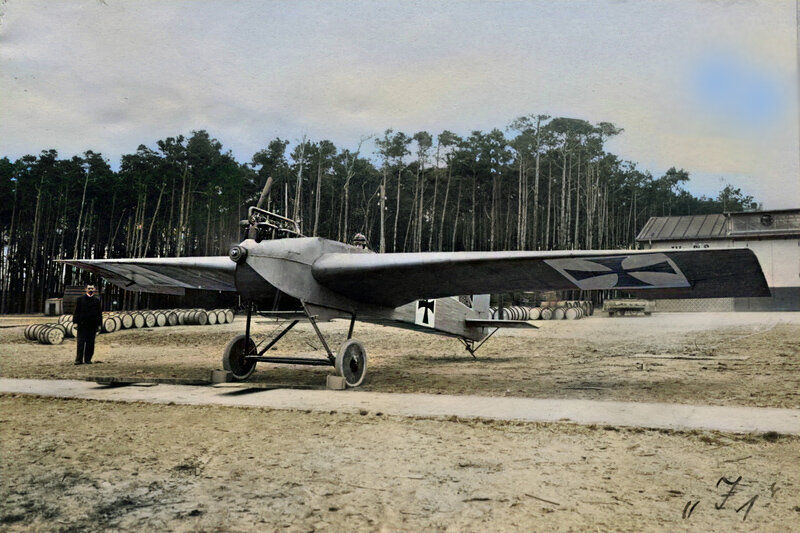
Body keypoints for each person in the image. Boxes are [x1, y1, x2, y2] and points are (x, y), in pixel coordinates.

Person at [72, 284, 103, 365]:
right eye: (89, 288)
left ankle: (88, 360)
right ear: (86, 289)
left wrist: (99, 324)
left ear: (94, 290)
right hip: (82, 325)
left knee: (90, 343)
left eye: (92, 288)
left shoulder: (97, 300)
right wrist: (75, 322)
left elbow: (99, 313)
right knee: (80, 343)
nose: (90, 290)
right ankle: (78, 360)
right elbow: (76, 312)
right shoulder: (80, 299)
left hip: (92, 325)